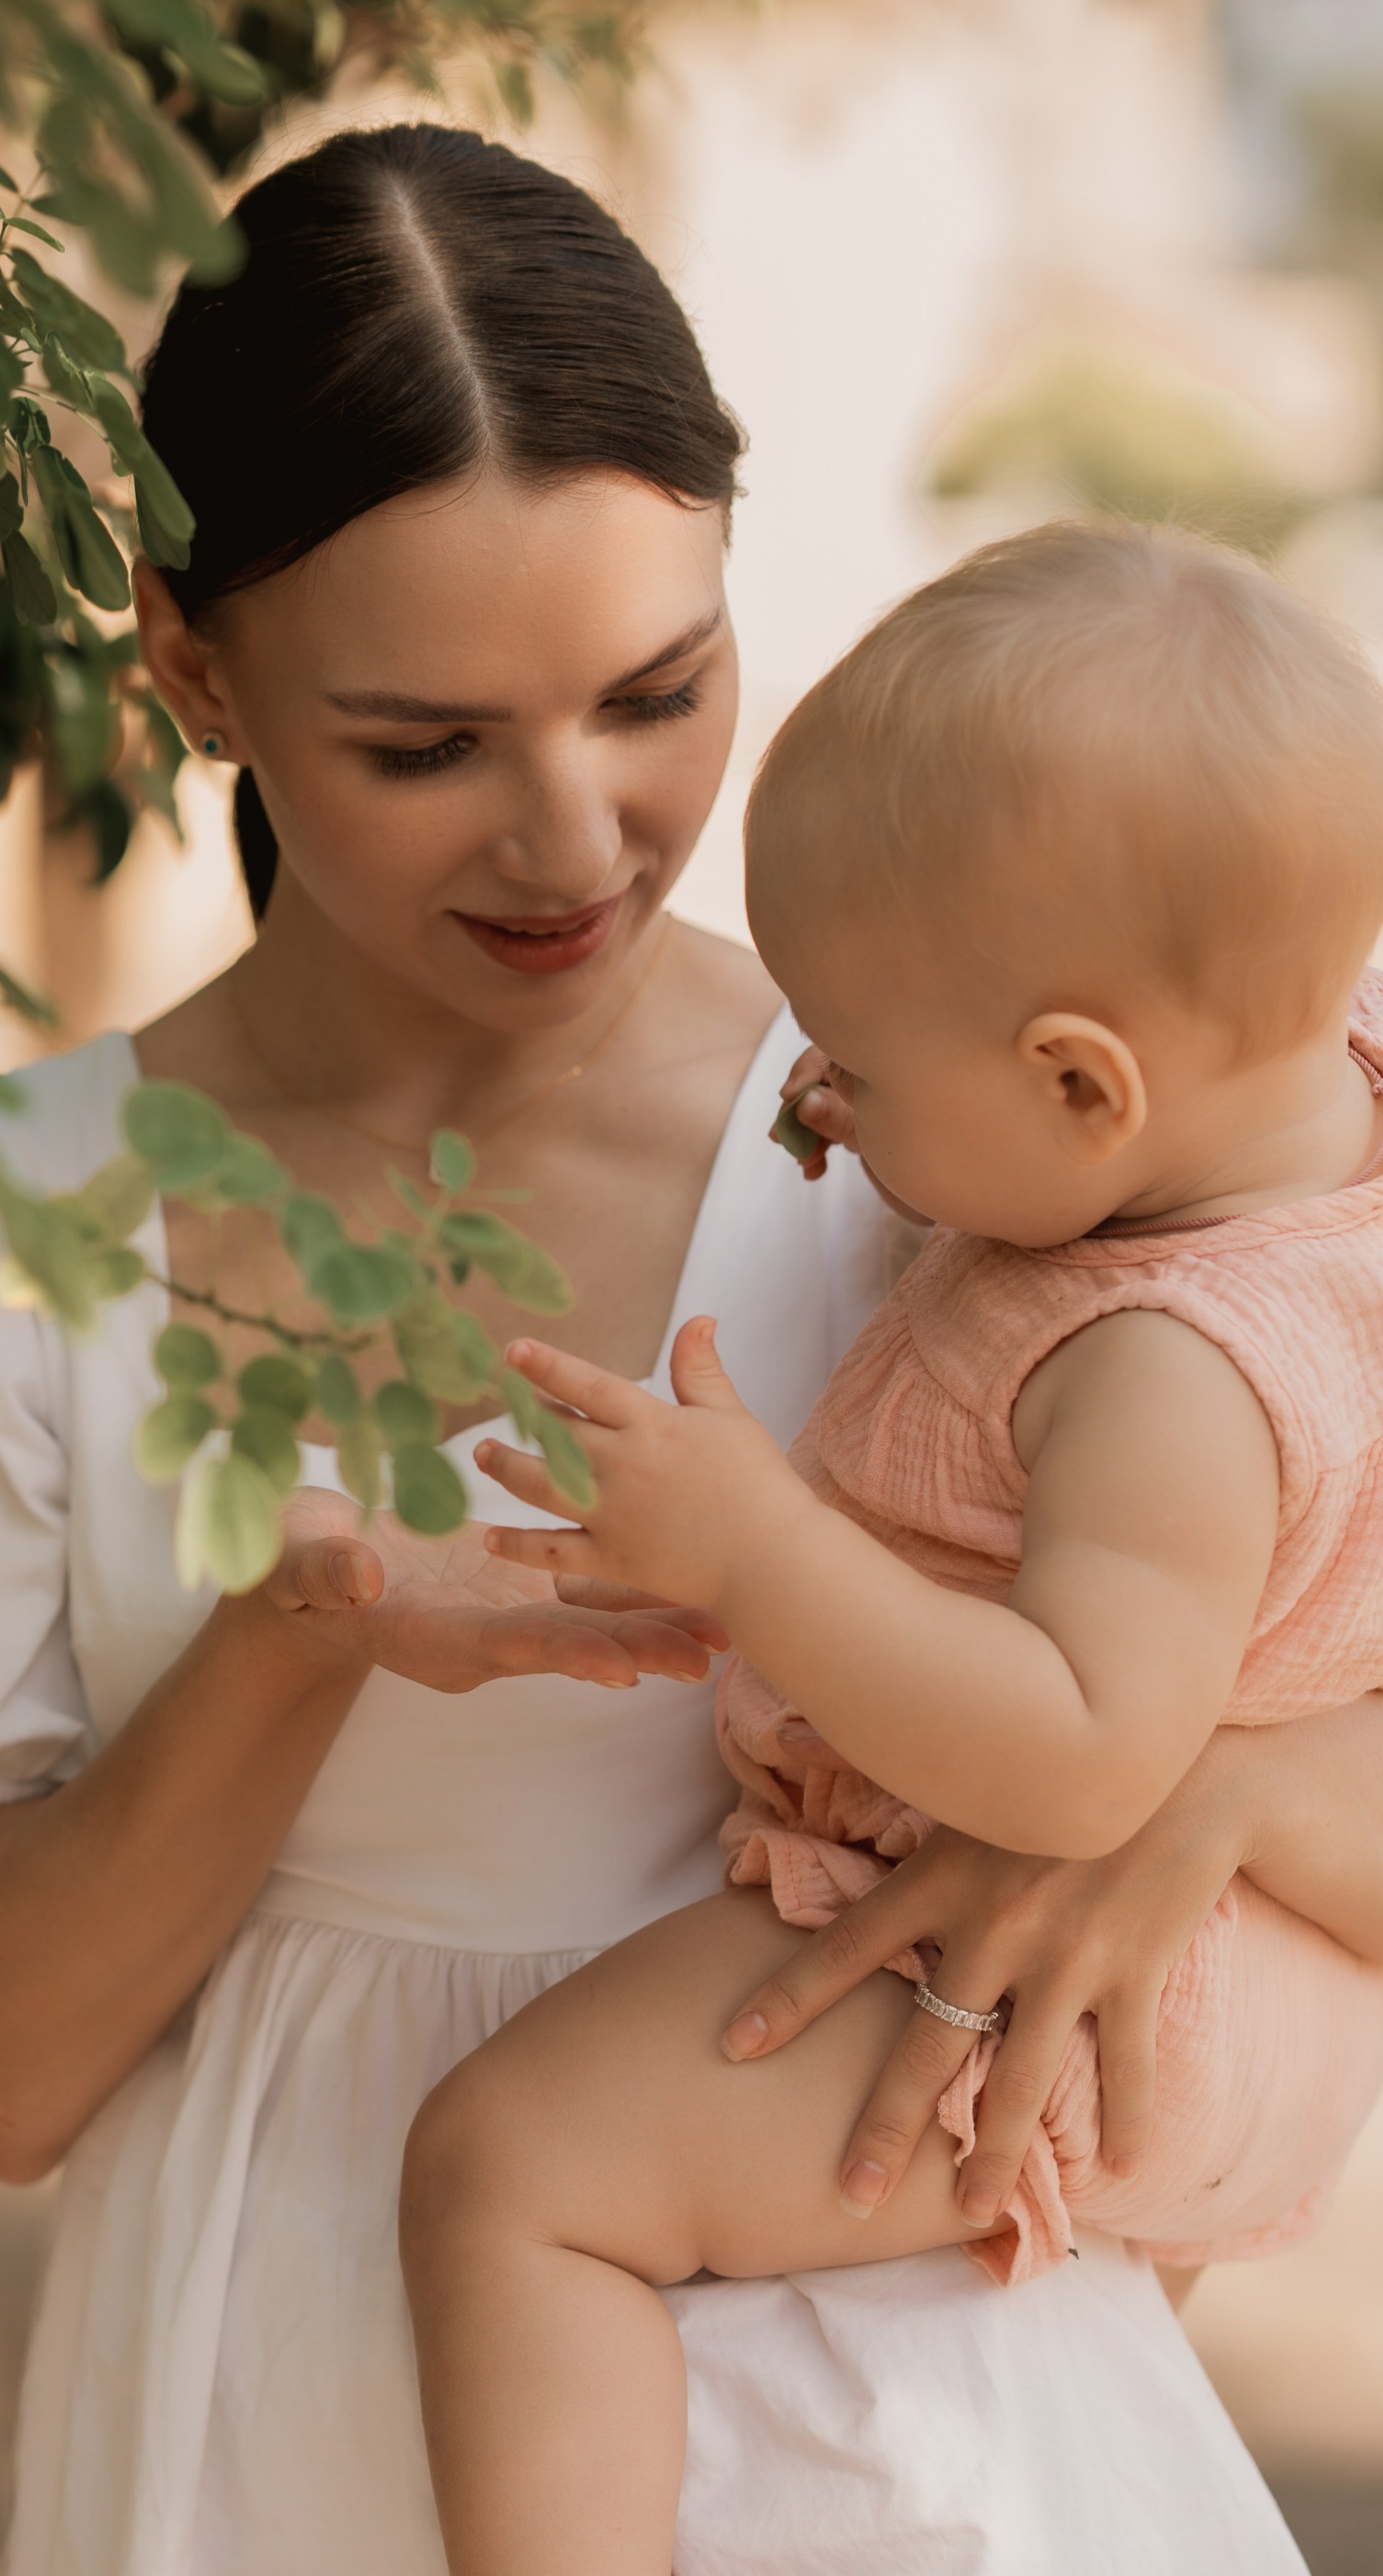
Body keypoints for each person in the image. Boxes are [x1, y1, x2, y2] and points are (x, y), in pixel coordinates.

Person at [0, 128, 1382, 2576]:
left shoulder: (986, 1155)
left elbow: (1250, 1606)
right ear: (187, 662)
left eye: (658, 693)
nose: (581, 840)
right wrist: (311, 1631)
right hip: (272, 2412)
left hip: (930, 2451)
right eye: (428, 745)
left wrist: (1216, 1798)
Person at [401, 520, 1383, 2576]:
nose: (817, 1100)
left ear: (1078, 1082)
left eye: (852, 1054)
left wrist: (763, 1553)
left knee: (511, 2168)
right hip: (1217, 2003)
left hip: (1080, 1983)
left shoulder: (1165, 1366)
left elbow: (1087, 1753)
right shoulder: (1287, 1158)